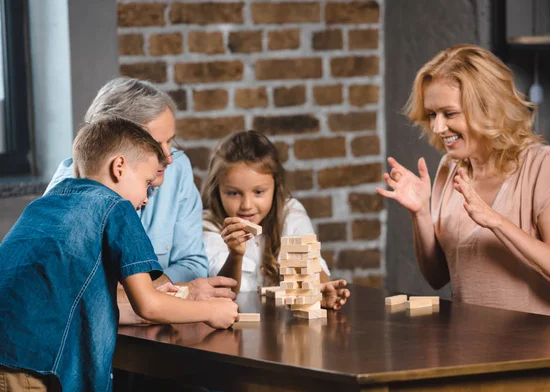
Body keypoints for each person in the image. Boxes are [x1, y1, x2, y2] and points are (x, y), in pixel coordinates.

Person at [0, 118, 238, 391]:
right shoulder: (116, 208)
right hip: (29, 365)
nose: (147, 198)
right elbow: (147, 305)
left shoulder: (45, 204)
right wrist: (210, 311)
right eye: (147, 183)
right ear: (119, 167)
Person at [377, 44, 550, 318]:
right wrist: (421, 213)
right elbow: (437, 277)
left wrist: (496, 221)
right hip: (471, 351)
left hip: (541, 353)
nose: (438, 128)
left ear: (488, 108)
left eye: (449, 114)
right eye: (432, 114)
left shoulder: (546, 165)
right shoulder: (448, 169)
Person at [45, 77, 237, 307]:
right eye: (156, 145)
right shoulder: (70, 192)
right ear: (115, 151)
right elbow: (74, 293)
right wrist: (164, 291)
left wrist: (142, 291)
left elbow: (194, 264)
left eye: (171, 141)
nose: (168, 157)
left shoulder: (177, 167)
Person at [202, 130, 350, 310]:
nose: (247, 205)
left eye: (258, 192)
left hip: (286, 331)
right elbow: (222, 293)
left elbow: (313, 265)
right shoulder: (209, 227)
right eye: (234, 193)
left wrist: (322, 291)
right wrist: (236, 255)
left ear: (275, 186)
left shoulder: (291, 214)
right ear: (217, 191)